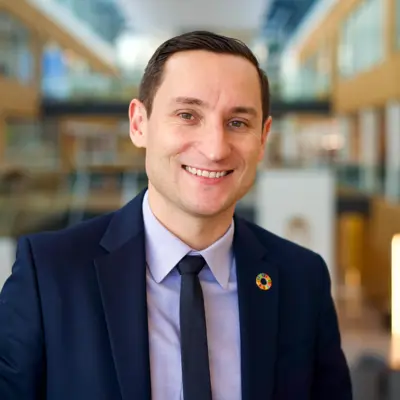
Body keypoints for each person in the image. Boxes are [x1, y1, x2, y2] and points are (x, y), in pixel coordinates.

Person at [0, 31, 352, 400]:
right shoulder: (50, 273)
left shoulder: (302, 280)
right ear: (139, 124)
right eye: (187, 115)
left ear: (263, 138)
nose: (215, 149)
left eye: (237, 122)